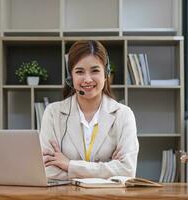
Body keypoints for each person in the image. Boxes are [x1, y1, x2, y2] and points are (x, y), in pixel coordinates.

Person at [40, 40, 139, 180]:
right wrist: (109, 168)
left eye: (95, 71)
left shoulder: (123, 115)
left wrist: (69, 165)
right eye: (79, 72)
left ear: (106, 74)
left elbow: (127, 171)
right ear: (71, 77)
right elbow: (47, 171)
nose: (87, 79)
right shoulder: (53, 113)